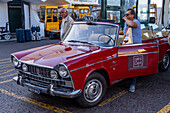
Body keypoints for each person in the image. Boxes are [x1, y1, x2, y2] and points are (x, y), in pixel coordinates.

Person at [122, 8, 142, 92]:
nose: (126, 16)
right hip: (127, 45)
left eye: (128, 14)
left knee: (134, 65)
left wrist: (125, 19)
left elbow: (133, 24)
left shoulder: (136, 21)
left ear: (132, 15)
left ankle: (132, 84)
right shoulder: (127, 23)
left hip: (135, 46)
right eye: (126, 14)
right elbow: (125, 32)